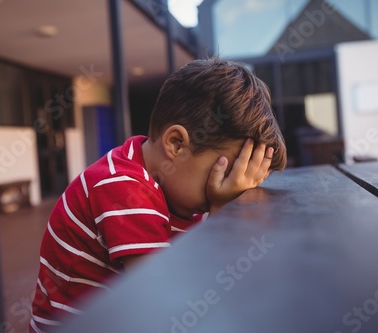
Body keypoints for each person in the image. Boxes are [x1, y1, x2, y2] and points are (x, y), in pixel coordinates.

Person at [29, 57, 287, 332]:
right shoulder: (121, 187)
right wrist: (222, 213)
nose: (225, 191)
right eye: (224, 176)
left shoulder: (167, 182)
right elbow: (168, 302)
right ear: (176, 144)